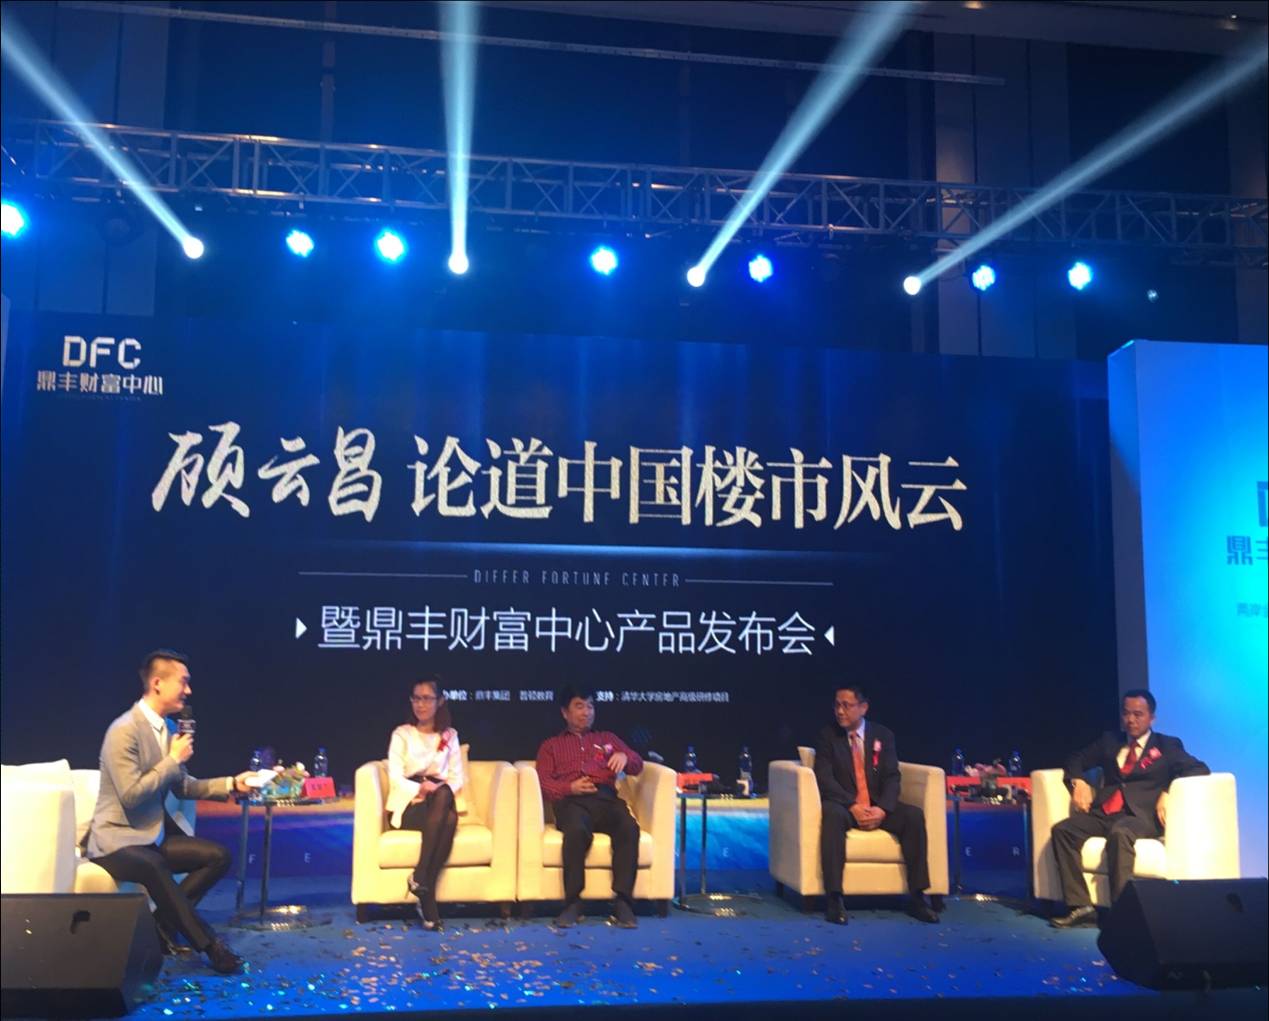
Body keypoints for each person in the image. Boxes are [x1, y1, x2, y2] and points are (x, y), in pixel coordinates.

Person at [86, 650, 251, 974]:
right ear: (158, 683)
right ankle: (211, 946)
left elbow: (183, 786)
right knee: (155, 864)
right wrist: (172, 759)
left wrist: (233, 783)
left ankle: (161, 922)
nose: (188, 690)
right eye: (183, 682)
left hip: (150, 838)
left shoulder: (168, 727)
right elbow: (131, 796)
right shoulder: (123, 730)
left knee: (217, 856)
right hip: (115, 842)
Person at [1048, 689, 1209, 928]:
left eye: (1138, 714)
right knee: (1063, 830)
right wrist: (1078, 781)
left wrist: (1167, 791)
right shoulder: (1110, 741)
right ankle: (1081, 906)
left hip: (1140, 816)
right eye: (1126, 714)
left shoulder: (1167, 745)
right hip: (1105, 812)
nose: (1131, 720)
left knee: (1120, 834)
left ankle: (1122, 915)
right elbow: (1076, 758)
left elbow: (1199, 768)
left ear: (1151, 718)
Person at [814, 684, 939, 925]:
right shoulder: (828, 736)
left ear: (863, 708)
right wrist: (852, 805)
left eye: (846, 706)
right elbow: (825, 778)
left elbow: (892, 776)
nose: (840, 711)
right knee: (831, 815)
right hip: (845, 806)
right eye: (837, 705)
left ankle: (917, 897)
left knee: (913, 816)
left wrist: (882, 809)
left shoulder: (883, 735)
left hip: (877, 806)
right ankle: (834, 899)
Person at [535, 685, 643, 928]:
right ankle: (573, 903)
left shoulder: (607, 739)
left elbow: (637, 765)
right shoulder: (551, 745)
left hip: (606, 799)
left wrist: (626, 757)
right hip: (571, 802)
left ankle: (623, 903)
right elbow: (542, 783)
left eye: (591, 706)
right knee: (575, 831)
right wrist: (569, 788)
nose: (587, 712)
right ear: (565, 712)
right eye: (579, 706)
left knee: (628, 828)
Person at [385, 676, 464, 932]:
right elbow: (395, 777)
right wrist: (420, 788)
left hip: (437, 801)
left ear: (440, 701)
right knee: (448, 815)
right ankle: (422, 883)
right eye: (416, 698)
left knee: (445, 800)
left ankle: (422, 882)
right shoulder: (402, 734)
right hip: (407, 804)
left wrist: (436, 790)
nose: (421, 704)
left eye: (427, 698)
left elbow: (457, 778)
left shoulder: (449, 735)